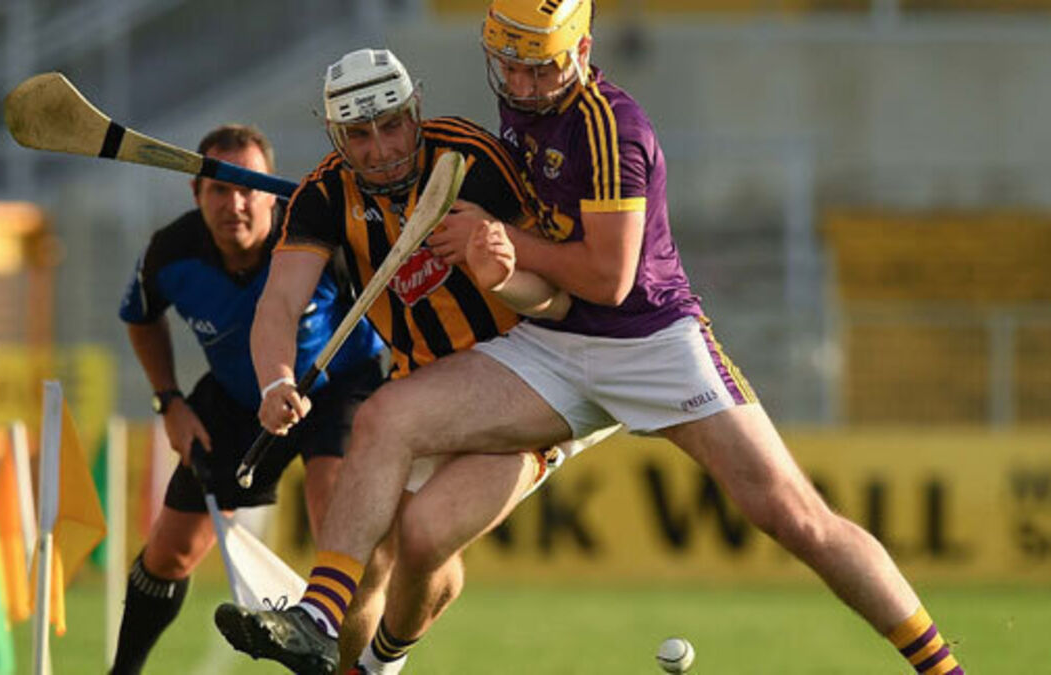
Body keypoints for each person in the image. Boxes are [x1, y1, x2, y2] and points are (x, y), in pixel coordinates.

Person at [220, 2, 967, 674]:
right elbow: (537, 292)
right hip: (548, 343)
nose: (524, 83)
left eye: (540, 67)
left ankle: (941, 669)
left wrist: (500, 245)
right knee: (388, 430)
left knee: (793, 516)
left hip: (649, 340)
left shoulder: (611, 127)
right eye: (511, 65)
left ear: (582, 50)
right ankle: (321, 620)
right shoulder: (512, 109)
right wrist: (494, 262)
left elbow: (608, 281)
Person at [213, 48, 607, 675]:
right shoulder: (325, 195)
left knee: (423, 535)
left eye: (392, 125)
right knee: (368, 558)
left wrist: (499, 267)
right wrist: (276, 380)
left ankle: (377, 664)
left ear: (415, 109)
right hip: (427, 390)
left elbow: (555, 292)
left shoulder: (471, 161)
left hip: (529, 382)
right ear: (334, 135)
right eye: (359, 136)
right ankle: (328, 632)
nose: (380, 151)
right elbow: (280, 302)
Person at [111, 124, 390, 673]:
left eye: (249, 187)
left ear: (272, 194)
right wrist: (169, 402)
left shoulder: (316, 234)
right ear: (196, 193)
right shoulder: (170, 254)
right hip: (239, 398)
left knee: (335, 518)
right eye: (220, 187)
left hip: (339, 388)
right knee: (171, 551)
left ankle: (353, 664)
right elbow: (141, 319)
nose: (234, 203)